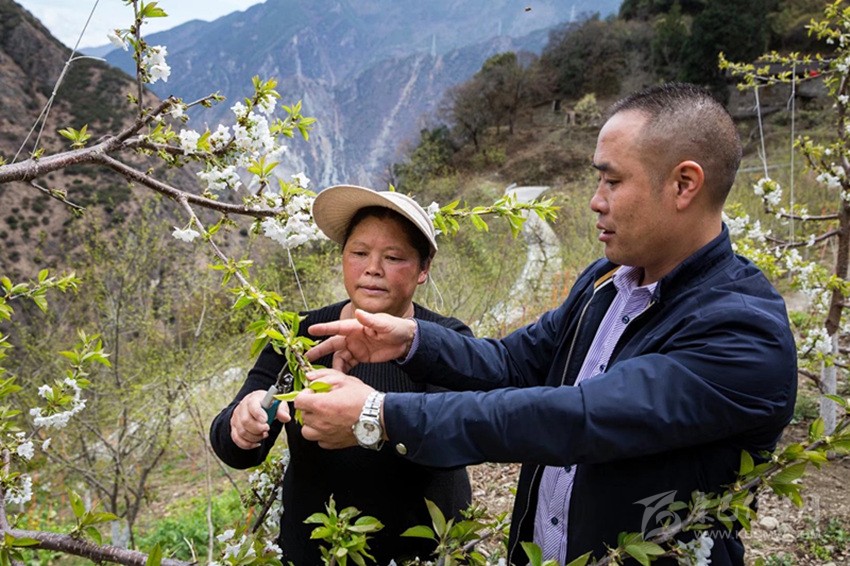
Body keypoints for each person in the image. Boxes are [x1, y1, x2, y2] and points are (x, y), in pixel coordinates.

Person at [294, 83, 798, 565]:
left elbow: (575, 419)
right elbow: (514, 363)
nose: (596, 200)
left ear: (683, 184)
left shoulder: (743, 332)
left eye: (612, 181)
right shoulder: (607, 282)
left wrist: (380, 415)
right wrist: (414, 340)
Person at [209, 185, 473, 565]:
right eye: (359, 253)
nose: (373, 268)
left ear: (423, 269)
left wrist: (370, 415)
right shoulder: (298, 335)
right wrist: (243, 423)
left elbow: (455, 438)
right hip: (317, 552)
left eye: (393, 257)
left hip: (423, 553)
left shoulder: (445, 340)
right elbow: (233, 447)